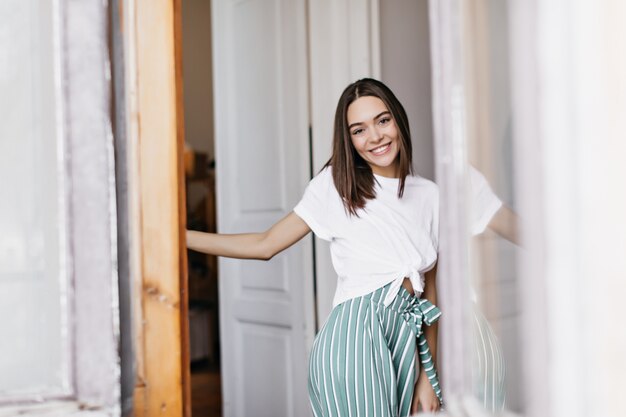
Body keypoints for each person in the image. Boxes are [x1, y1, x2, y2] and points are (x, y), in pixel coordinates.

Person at [187, 78, 442, 416]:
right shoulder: (336, 185)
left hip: (406, 341)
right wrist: (180, 237)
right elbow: (265, 244)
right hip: (355, 341)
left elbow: (431, 293)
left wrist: (428, 375)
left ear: (398, 120)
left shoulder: (430, 195)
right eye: (359, 130)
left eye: (382, 120)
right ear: (348, 140)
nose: (375, 137)